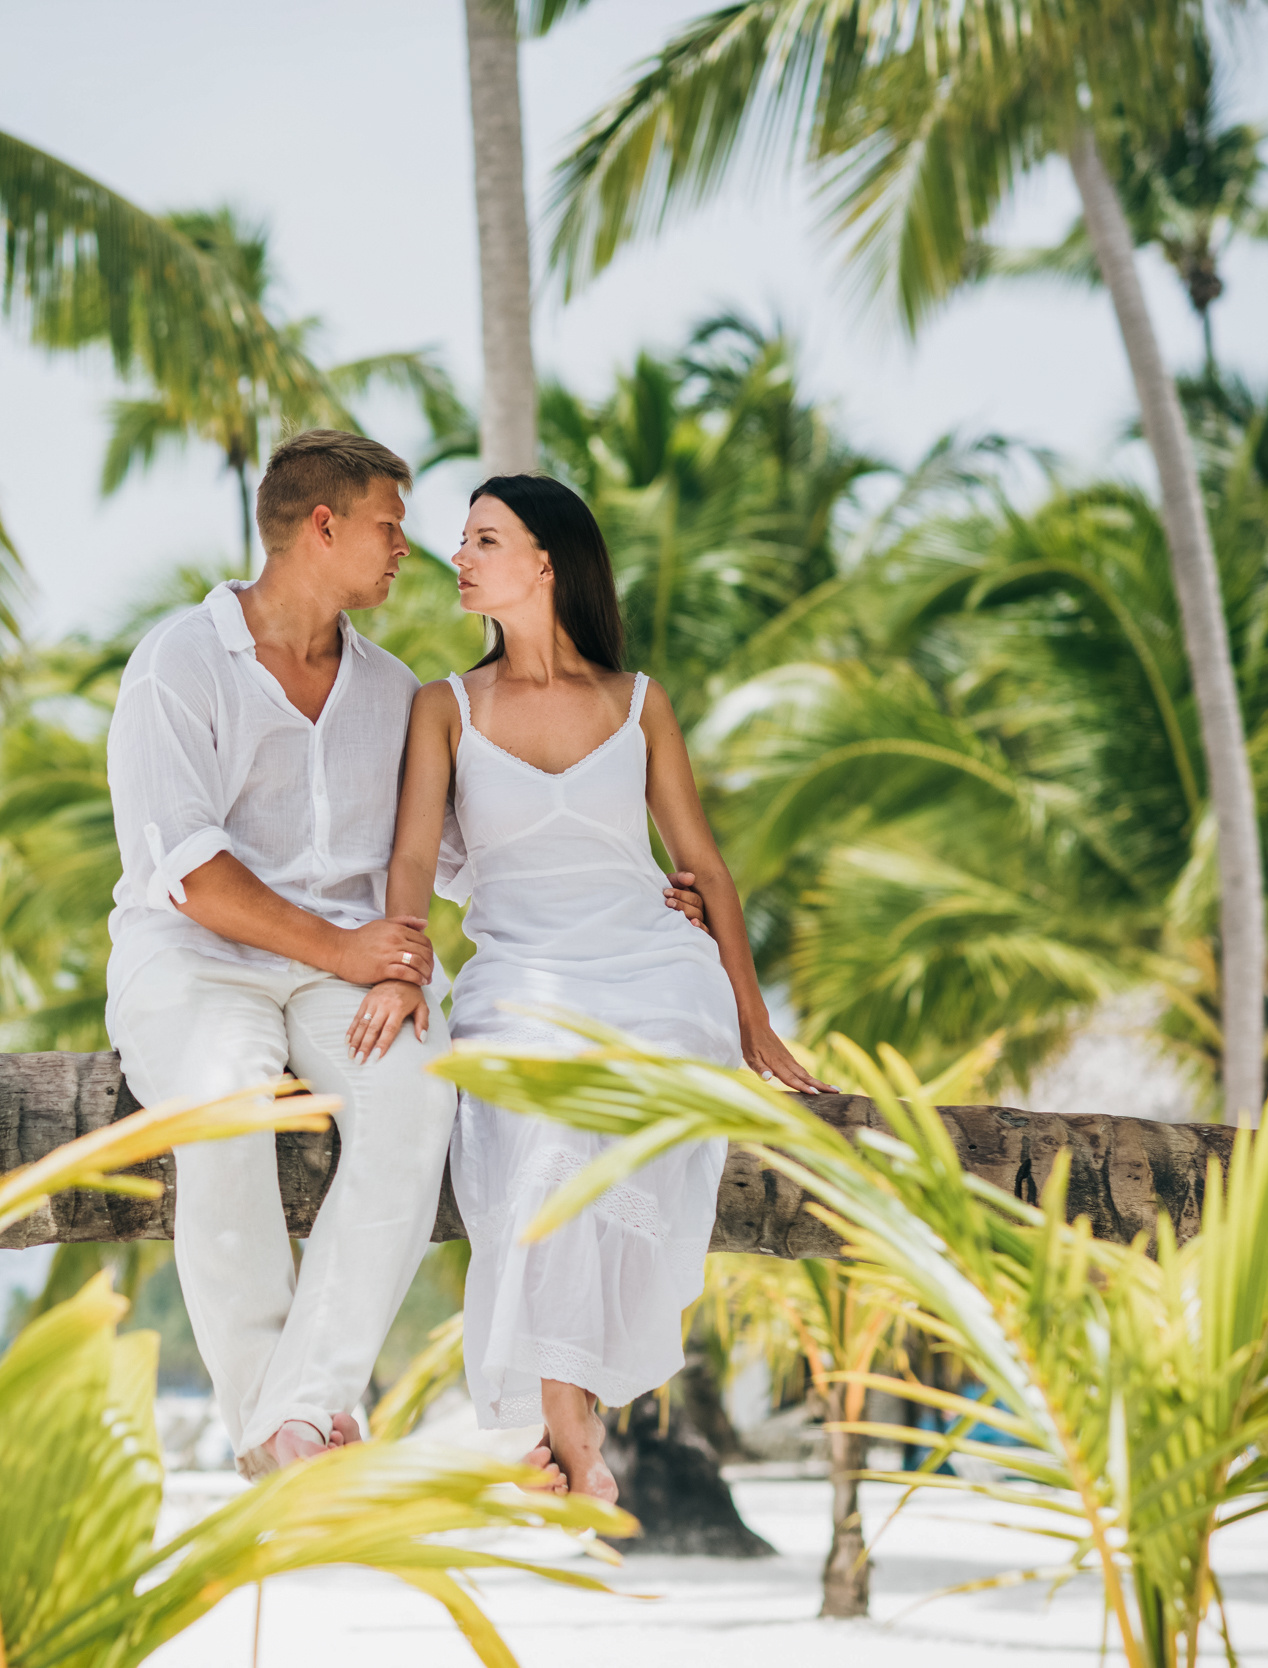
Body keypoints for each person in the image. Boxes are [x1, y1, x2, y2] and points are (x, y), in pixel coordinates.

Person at [349, 473, 831, 1504]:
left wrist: (755, 1025)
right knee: (548, 1115)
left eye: (483, 539)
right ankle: (569, 1417)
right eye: (461, 540)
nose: (460, 558)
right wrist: (400, 972)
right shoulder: (445, 708)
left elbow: (703, 867)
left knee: (633, 1100)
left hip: (652, 962)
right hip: (519, 970)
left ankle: (563, 1421)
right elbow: (407, 867)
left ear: (545, 562)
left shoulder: (639, 703)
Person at [102, 429, 455, 1478]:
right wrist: (346, 950)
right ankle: (276, 1422)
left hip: (342, 969)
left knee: (416, 1099)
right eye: (389, 526)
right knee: (224, 1109)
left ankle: (295, 1412)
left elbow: (443, 847)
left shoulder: (392, 691)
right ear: (322, 525)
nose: (404, 549)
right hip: (192, 958)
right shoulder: (177, 661)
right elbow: (193, 874)